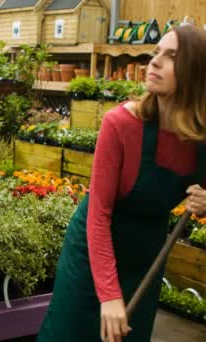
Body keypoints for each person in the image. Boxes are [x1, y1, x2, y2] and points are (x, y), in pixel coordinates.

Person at [38, 25, 206, 342]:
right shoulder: (121, 124)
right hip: (92, 256)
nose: (154, 62)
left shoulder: (200, 139)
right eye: (157, 52)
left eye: (171, 57)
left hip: (145, 258)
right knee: (69, 333)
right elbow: (98, 214)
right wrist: (109, 295)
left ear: (196, 73)